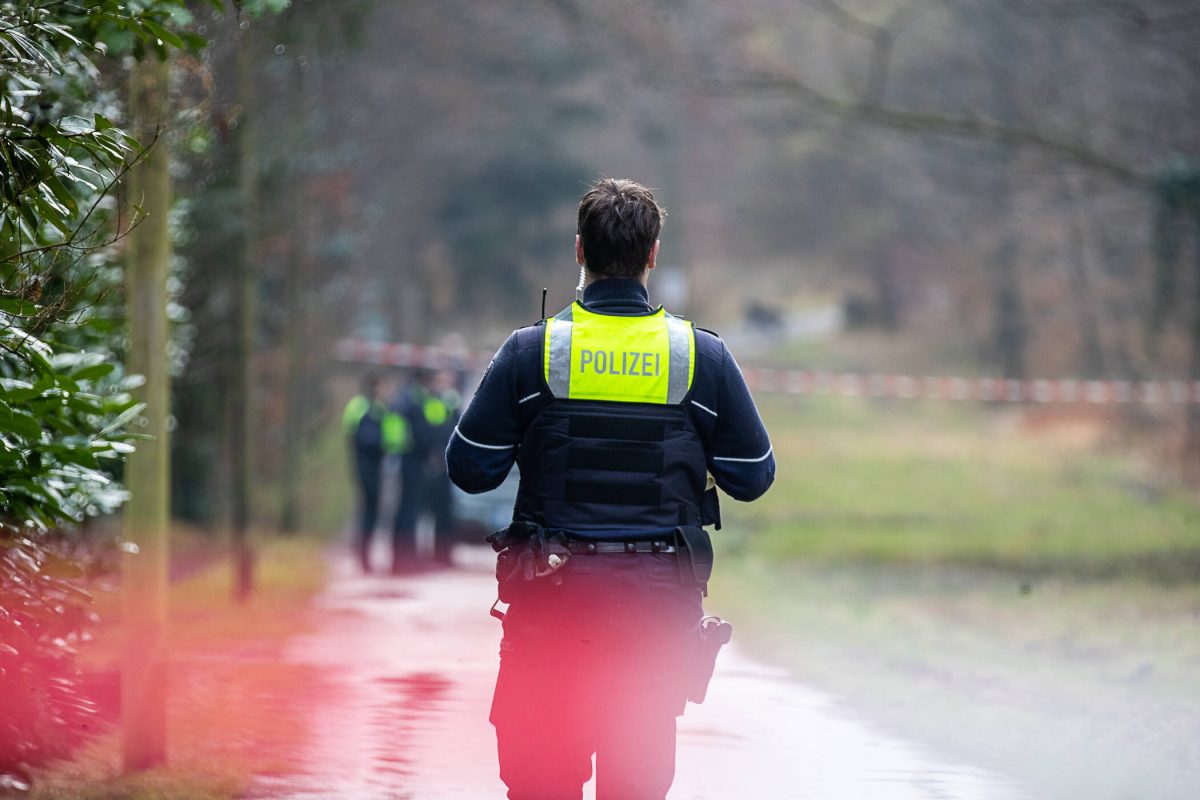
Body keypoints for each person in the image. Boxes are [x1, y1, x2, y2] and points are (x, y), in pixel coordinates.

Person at [446, 178, 775, 799]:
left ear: (579, 251)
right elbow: (752, 475)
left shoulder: (530, 353)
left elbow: (470, 468)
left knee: (541, 784)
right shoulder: (700, 359)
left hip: (549, 604)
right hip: (653, 613)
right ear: (653, 255)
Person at [391, 368, 461, 572]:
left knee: (414, 511)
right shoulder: (417, 402)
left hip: (417, 461)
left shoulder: (413, 400)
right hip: (416, 461)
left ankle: (409, 558)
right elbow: (431, 432)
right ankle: (406, 560)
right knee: (411, 511)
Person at [342, 372, 407, 573]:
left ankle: (365, 555)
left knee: (371, 511)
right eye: (382, 387)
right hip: (366, 465)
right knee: (368, 512)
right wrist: (384, 444)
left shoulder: (376, 408)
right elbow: (365, 439)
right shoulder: (364, 408)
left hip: (374, 466)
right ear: (374, 387)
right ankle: (363, 556)